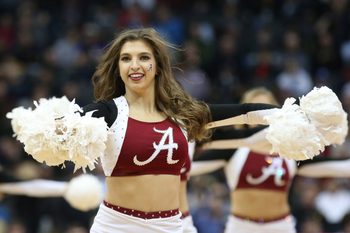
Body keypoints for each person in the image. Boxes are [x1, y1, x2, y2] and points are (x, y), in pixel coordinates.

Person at [7, 28, 309, 233]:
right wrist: (48, 126)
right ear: (118, 67)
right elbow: (61, 126)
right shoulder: (107, 112)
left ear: (158, 66)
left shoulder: (183, 115)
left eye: (143, 58)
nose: (134, 65)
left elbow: (244, 114)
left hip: (170, 225)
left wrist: (292, 115)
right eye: (126, 58)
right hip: (118, 225)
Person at [190, 87, 350, 233]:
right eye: (254, 111)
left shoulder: (291, 150)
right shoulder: (233, 149)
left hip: (281, 226)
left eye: (264, 109)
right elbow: (187, 167)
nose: (260, 118)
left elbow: (338, 167)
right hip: (241, 226)